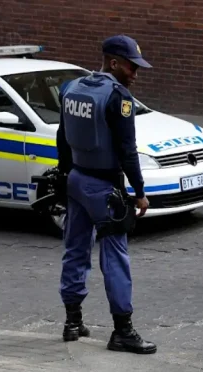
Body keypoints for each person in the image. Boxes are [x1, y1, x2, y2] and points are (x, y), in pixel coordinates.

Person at [56, 35, 155, 355]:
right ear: (113, 63)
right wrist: (139, 192)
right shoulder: (118, 97)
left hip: (76, 181)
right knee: (115, 258)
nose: (135, 74)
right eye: (131, 67)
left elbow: (62, 137)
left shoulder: (72, 88)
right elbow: (127, 150)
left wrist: (65, 175)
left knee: (75, 250)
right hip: (105, 188)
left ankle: (72, 322)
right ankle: (123, 332)